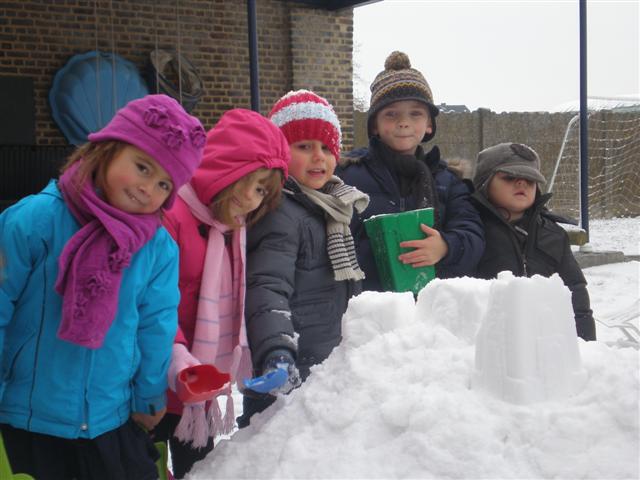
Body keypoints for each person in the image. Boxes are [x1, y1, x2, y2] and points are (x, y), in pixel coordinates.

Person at [0, 94, 204, 480]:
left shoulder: (157, 248)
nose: (148, 188)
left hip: (110, 421)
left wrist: (149, 395)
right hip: (28, 421)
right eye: (142, 167)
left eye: (164, 184)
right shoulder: (34, 220)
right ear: (108, 149)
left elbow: (156, 326)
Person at [151, 108, 290, 478]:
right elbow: (150, 302)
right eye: (244, 179)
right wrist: (178, 363)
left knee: (200, 470)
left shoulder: (231, 226)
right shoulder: (171, 213)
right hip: (155, 376)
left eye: (260, 189)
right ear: (219, 166)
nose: (249, 196)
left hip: (200, 383)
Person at [237, 90, 370, 428]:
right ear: (279, 153)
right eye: (304, 146)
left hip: (321, 361)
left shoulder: (331, 207)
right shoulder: (280, 212)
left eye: (326, 147)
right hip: (286, 368)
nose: (318, 157)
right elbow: (267, 285)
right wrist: (276, 351)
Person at [336, 51, 484, 291]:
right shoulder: (348, 176)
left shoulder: (448, 181)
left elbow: (473, 234)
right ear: (374, 125)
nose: (403, 122)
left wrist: (445, 246)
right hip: (366, 304)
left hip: (430, 305)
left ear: (429, 125)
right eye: (391, 113)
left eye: (415, 113)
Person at [471, 142, 596, 341]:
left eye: (530, 180)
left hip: (544, 343)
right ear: (484, 183)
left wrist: (584, 343)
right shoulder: (470, 230)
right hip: (486, 343)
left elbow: (575, 291)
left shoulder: (554, 235)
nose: (522, 184)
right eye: (509, 177)